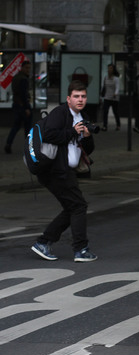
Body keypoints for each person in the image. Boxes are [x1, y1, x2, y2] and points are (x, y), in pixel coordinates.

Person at [30, 80, 97, 263]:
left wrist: (87, 137)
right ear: (68, 99)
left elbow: (87, 149)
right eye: (76, 96)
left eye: (83, 96)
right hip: (54, 170)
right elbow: (49, 134)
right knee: (78, 206)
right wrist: (72, 132)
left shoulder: (83, 117)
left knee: (72, 207)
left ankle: (43, 242)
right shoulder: (60, 113)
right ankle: (81, 249)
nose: (80, 100)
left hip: (66, 171)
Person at [5, 60, 33, 154]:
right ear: (22, 68)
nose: (28, 70)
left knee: (16, 126)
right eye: (26, 68)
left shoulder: (16, 77)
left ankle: (8, 144)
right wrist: (26, 108)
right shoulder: (23, 79)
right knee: (27, 128)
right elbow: (23, 95)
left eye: (29, 68)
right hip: (23, 106)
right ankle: (28, 148)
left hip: (16, 105)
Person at [101, 64, 121, 132]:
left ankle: (118, 125)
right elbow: (104, 87)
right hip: (107, 97)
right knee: (105, 111)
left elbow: (118, 87)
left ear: (113, 70)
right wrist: (102, 96)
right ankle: (105, 126)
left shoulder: (116, 78)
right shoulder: (106, 77)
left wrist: (115, 93)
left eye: (111, 68)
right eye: (109, 68)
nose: (109, 70)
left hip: (114, 98)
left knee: (116, 112)